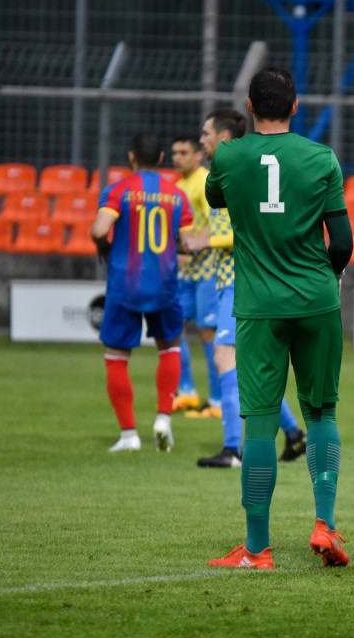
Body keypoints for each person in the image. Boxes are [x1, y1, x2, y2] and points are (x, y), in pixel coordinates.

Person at [204, 66, 353, 571]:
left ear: (249, 106)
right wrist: (324, 280)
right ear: (296, 106)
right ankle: (325, 524)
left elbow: (216, 197)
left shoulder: (228, 155)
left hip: (259, 307)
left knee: (260, 426)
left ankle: (256, 549)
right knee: (322, 414)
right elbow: (346, 243)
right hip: (316, 301)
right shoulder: (322, 158)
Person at [183, 109, 308, 469]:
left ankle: (233, 449)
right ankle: (293, 433)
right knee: (247, 367)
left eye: (206, 133)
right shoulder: (236, 169)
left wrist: (203, 241)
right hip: (235, 280)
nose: (201, 139)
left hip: (240, 280)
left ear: (223, 137)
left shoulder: (234, 170)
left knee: (224, 355)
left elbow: (246, 230)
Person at [91, 131, 194, 453]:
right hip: (164, 283)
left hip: (125, 284)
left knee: (117, 357)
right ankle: (163, 418)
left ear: (131, 157)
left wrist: (103, 247)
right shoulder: (176, 195)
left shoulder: (118, 190)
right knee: (170, 349)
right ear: (162, 158)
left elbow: (98, 229)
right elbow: (187, 244)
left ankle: (128, 435)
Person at [169, 133, 222, 419]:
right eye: (175, 152)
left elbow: (216, 220)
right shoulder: (179, 186)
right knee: (172, 326)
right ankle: (187, 391)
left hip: (207, 271)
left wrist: (197, 243)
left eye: (184, 152)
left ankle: (217, 400)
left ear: (197, 155)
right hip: (185, 271)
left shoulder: (203, 182)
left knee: (208, 334)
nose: (178, 157)